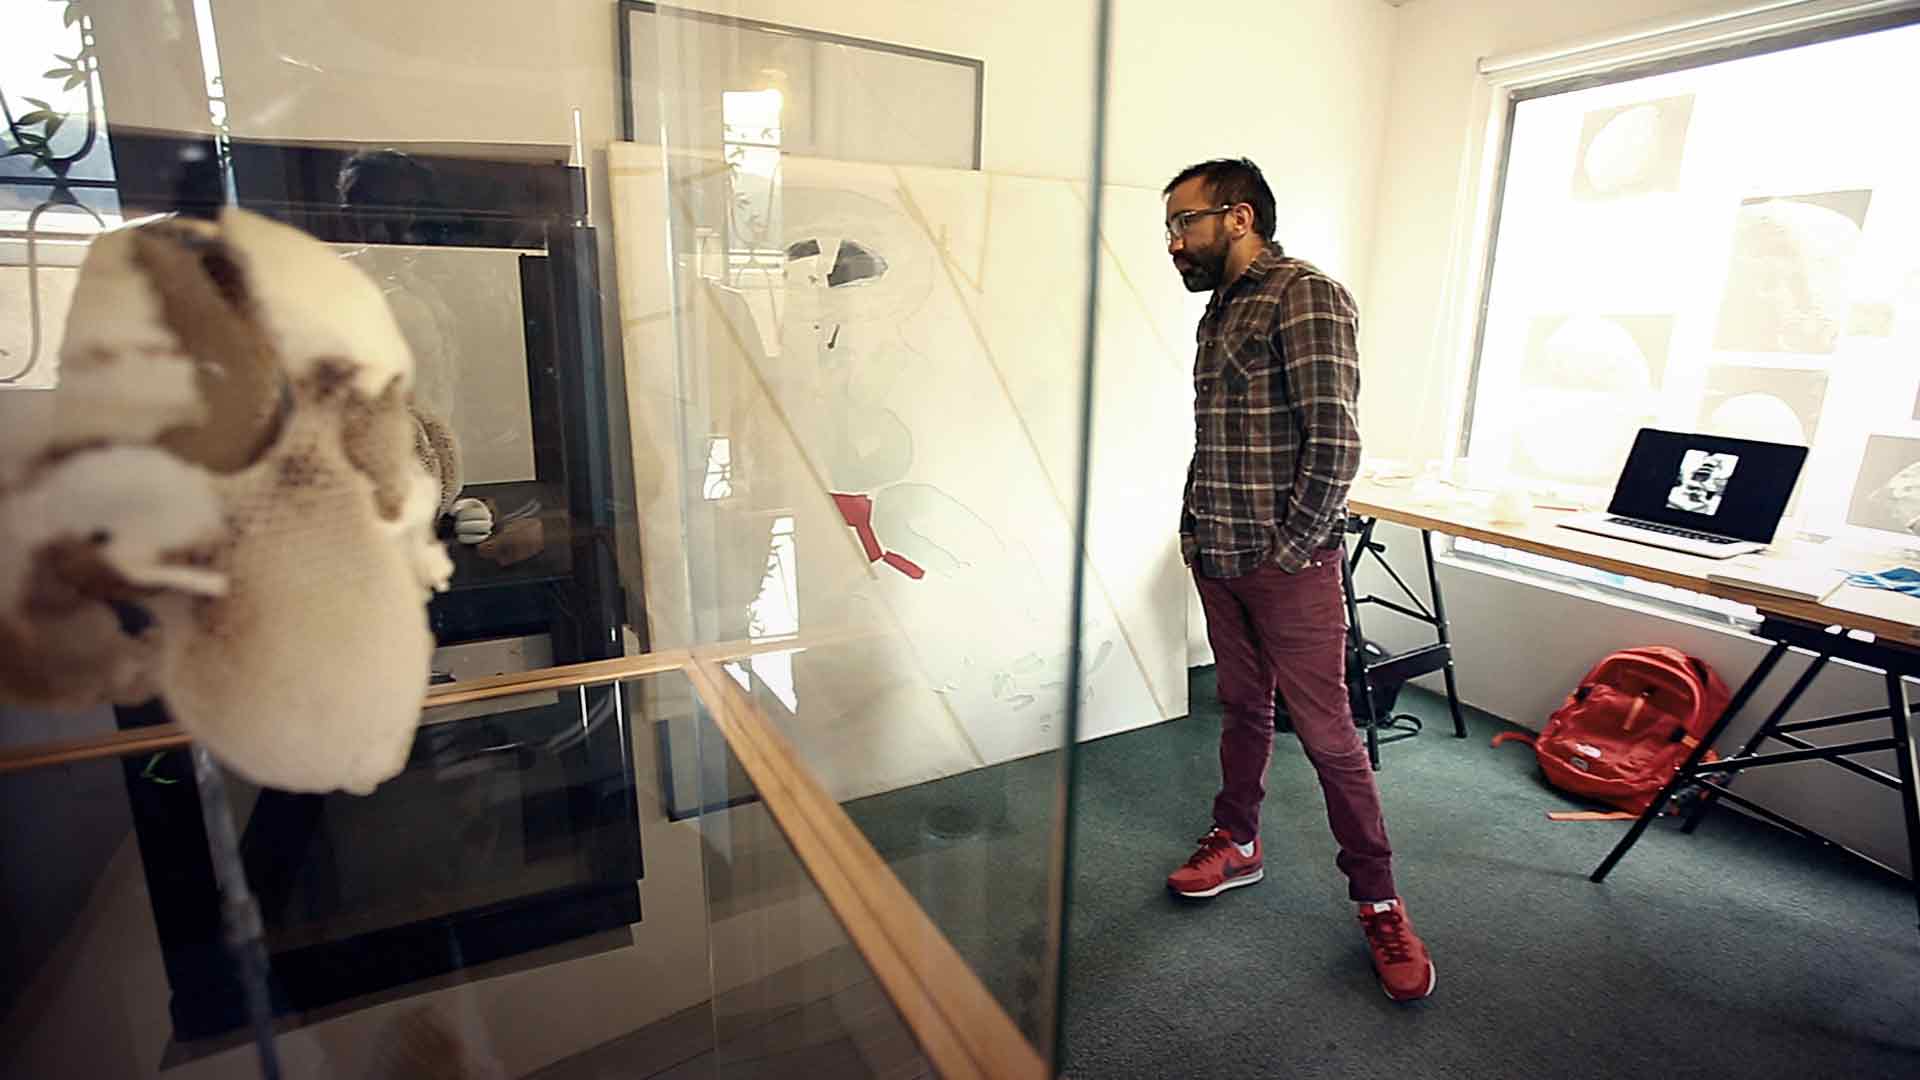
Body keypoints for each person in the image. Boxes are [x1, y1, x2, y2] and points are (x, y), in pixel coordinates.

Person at [1161, 158, 1435, 1001]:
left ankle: (1380, 901)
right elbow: (1220, 438)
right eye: (1170, 228)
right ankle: (1237, 840)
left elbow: (1336, 442)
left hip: (1286, 566)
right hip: (1219, 554)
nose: (1174, 243)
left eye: (1186, 223)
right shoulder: (1219, 313)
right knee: (1243, 708)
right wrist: (1193, 527)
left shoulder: (1304, 294)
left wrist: (1290, 549)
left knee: (1329, 738)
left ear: (1238, 217)